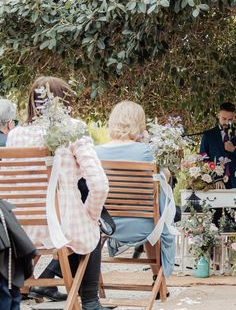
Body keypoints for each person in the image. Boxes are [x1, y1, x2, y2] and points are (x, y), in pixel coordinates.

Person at [6, 76, 109, 310]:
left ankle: (34, 286)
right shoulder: (75, 129)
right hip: (64, 226)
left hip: (24, 229)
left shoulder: (16, 135)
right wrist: (91, 215)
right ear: (64, 101)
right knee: (92, 227)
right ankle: (90, 300)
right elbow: (100, 185)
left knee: (78, 224)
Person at [95, 101, 176, 280]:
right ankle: (158, 278)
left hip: (105, 226)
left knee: (151, 217)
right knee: (155, 219)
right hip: (143, 224)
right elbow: (165, 178)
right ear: (139, 123)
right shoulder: (146, 152)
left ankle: (90, 284)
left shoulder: (96, 152)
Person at [199, 102, 236, 189]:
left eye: (230, 120)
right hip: (213, 184)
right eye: (224, 119)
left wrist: (234, 150)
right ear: (218, 115)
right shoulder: (208, 135)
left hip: (235, 184)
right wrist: (217, 177)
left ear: (234, 118)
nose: (226, 122)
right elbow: (203, 159)